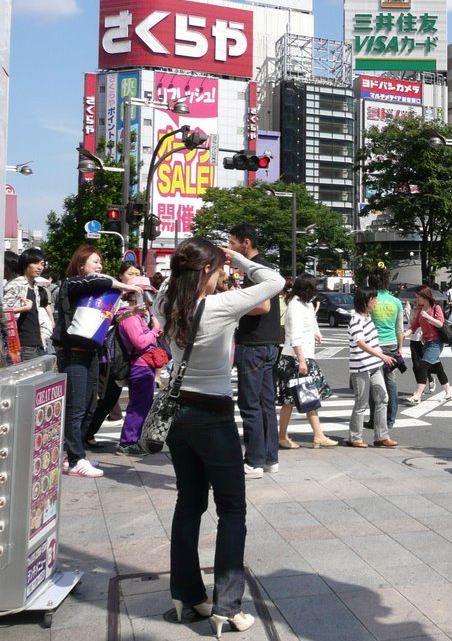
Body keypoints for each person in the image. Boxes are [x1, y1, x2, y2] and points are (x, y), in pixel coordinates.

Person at [155, 237, 283, 635]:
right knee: (232, 510)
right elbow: (274, 281)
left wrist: (208, 261)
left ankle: (186, 597)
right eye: (218, 269)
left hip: (178, 417)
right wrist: (240, 258)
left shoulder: (166, 304)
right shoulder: (219, 306)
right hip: (213, 416)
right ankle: (226, 607)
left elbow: (168, 281)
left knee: (188, 503)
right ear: (207, 271)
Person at [54, 246, 141, 478]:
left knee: (90, 406)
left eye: (100, 262)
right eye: (95, 262)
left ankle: (74, 454)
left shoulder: (90, 292)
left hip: (89, 352)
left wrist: (127, 313)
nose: (100, 266)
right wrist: (124, 285)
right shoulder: (72, 284)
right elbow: (99, 283)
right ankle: (74, 459)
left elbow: (100, 322)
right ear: (81, 265)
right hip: (72, 353)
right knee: (76, 408)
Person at [226, 224, 282, 480]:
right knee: (265, 404)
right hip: (269, 344)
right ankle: (270, 459)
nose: (230, 249)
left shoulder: (256, 269)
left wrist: (233, 304)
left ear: (245, 243)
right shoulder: (266, 266)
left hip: (255, 344)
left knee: (250, 404)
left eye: (232, 243)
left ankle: (254, 461)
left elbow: (262, 306)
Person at [84, 260, 144, 447]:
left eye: (136, 274)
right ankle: (84, 434)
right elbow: (111, 318)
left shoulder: (142, 295)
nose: (133, 278)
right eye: (129, 274)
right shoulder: (113, 293)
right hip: (109, 353)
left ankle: (87, 433)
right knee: (105, 395)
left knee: (111, 396)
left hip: (128, 354)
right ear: (120, 276)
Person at [276, 273, 338, 450]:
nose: (315, 292)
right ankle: (284, 437)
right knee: (291, 400)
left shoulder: (307, 304)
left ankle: (317, 435)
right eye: (313, 288)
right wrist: (302, 361)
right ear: (306, 289)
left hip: (304, 356)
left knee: (307, 397)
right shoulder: (295, 305)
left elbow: (312, 321)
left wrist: (317, 332)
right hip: (295, 358)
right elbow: (295, 336)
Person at [115, 276, 165, 455]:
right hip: (140, 364)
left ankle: (133, 440)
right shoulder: (129, 316)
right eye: (146, 294)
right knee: (139, 405)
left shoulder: (135, 315)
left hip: (144, 364)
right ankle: (128, 442)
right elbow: (141, 343)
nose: (149, 299)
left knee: (142, 404)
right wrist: (155, 330)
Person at [347, 286, 399, 448]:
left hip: (374, 365)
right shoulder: (355, 319)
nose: (376, 302)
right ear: (365, 302)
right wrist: (382, 356)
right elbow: (361, 344)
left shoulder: (368, 317)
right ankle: (355, 437)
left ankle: (381, 436)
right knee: (361, 403)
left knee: (383, 398)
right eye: (373, 299)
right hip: (361, 366)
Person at [366, 268, 404, 432]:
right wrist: (400, 348)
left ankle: (374, 418)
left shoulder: (371, 300)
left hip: (374, 346)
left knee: (374, 382)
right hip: (391, 345)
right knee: (390, 382)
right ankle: (391, 419)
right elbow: (400, 329)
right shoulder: (395, 302)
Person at [403, 286, 452, 404]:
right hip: (426, 343)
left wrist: (428, 317)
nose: (417, 299)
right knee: (438, 369)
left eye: (418, 297)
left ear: (425, 296)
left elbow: (440, 324)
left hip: (436, 343)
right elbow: (415, 326)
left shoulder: (436, 308)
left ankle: (418, 395)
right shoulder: (420, 310)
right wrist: (406, 333)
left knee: (422, 366)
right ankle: (449, 392)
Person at [3, 247, 46, 360]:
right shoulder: (16, 284)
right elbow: (3, 311)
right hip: (23, 344)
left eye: (42, 264)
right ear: (25, 264)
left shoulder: (35, 286)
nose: (39, 267)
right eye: (35, 263)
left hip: (38, 342)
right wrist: (24, 308)